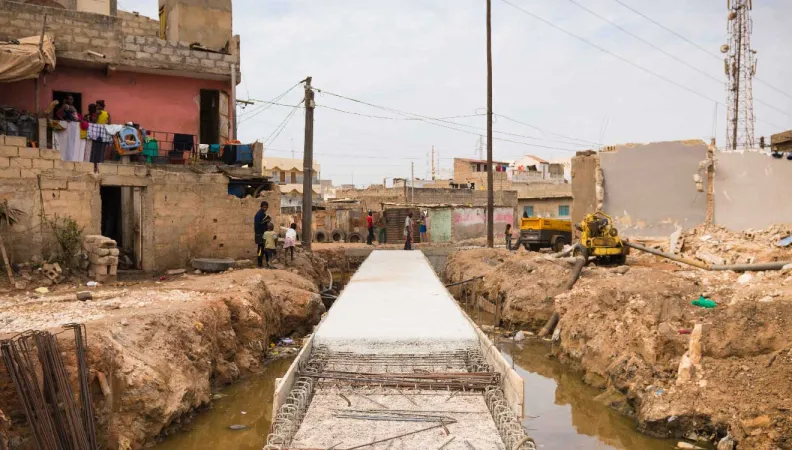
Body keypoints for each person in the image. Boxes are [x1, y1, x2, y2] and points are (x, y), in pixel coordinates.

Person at [254, 201, 272, 268]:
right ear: (261, 207)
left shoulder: (263, 214)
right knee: (260, 249)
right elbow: (258, 224)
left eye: (266, 207)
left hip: (263, 234)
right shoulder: (259, 214)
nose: (265, 209)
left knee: (264, 249)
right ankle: (260, 263)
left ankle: (266, 263)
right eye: (264, 207)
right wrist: (265, 221)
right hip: (260, 234)